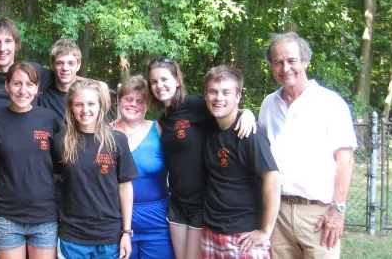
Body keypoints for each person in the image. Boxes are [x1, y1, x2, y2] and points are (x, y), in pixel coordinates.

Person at [258, 32, 357, 259]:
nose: (285, 68)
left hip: (319, 216)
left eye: (292, 60)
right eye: (278, 62)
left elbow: (346, 160)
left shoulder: (330, 102)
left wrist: (337, 210)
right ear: (271, 66)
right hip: (278, 214)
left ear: (305, 61)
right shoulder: (268, 105)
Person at [146, 58, 256, 259]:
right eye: (154, 81)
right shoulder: (162, 119)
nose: (159, 85)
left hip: (202, 203)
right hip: (177, 203)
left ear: (177, 80)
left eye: (164, 79)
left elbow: (224, 109)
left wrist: (246, 112)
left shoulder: (195, 104)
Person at [200, 66, 280, 259]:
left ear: (238, 96)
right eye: (214, 92)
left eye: (226, 92)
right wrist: (246, 111)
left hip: (243, 236)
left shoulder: (250, 134)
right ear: (206, 95)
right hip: (211, 231)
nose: (219, 98)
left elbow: (273, 179)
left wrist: (265, 230)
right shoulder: (209, 124)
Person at [53, 79, 138, 259]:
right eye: (79, 104)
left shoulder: (117, 140)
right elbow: (51, 179)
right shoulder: (61, 141)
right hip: (72, 235)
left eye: (91, 104)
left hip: (109, 235)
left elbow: (125, 187)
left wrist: (127, 232)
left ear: (100, 105)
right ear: (71, 107)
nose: (85, 110)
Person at [0, 62, 60, 259]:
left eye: (29, 84)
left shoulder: (50, 119)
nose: (23, 90)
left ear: (37, 88)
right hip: (7, 217)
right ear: (7, 85)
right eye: (17, 83)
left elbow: (58, 167)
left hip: (44, 216)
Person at [112, 76, 174, 259]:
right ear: (118, 101)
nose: (133, 105)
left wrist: (243, 112)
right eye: (128, 99)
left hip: (157, 219)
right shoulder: (105, 133)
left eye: (140, 101)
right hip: (116, 219)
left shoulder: (160, 130)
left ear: (147, 105)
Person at [0, 17, 54, 114]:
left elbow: (67, 80)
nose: (2, 48)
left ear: (16, 45)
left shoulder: (33, 72)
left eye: (8, 41)